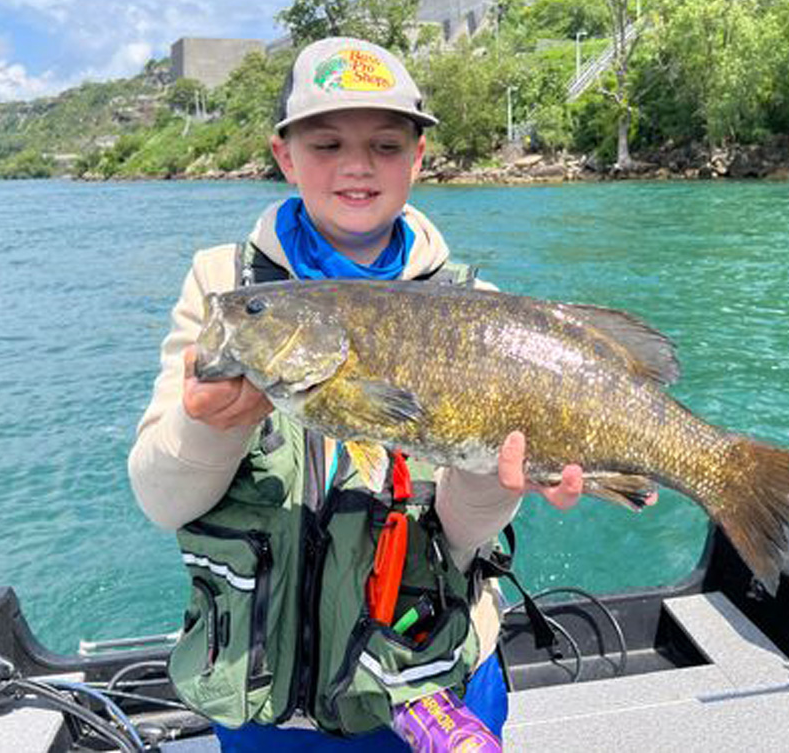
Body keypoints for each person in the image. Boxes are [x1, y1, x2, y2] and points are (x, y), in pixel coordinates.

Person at [128, 37, 594, 751]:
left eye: (384, 144)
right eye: (325, 143)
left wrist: (489, 479)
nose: (355, 165)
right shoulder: (223, 287)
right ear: (283, 155)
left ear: (418, 157)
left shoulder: (479, 310)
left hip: (435, 687)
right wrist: (206, 428)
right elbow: (162, 501)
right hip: (268, 709)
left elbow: (467, 539)